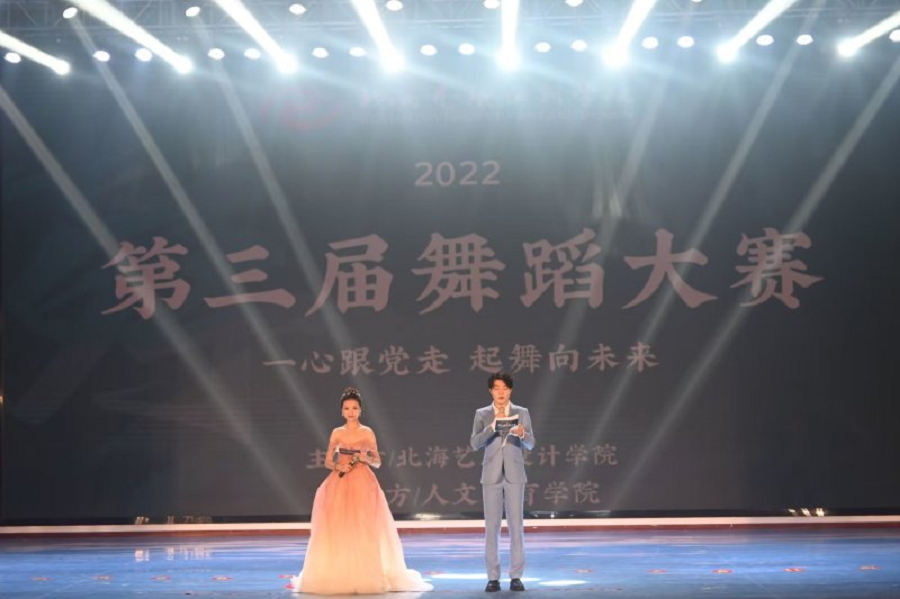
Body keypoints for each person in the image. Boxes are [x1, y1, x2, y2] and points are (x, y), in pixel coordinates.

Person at [291, 387, 432, 595]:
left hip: (363, 482)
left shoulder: (367, 432)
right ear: (341, 411)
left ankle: (367, 573)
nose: (351, 412)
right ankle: (338, 572)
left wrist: (365, 458)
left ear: (360, 410)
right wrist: (338, 465)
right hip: (340, 481)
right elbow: (328, 461)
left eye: (354, 408)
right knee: (339, 526)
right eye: (347, 408)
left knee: (364, 526)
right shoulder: (337, 433)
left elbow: (378, 461)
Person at [470, 372, 535, 592]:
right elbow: (474, 443)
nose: (501, 392)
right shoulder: (482, 413)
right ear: (490, 391)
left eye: (505, 388)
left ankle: (516, 576)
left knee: (516, 526)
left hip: (515, 474)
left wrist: (523, 434)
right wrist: (492, 427)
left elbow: (531, 443)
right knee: (492, 527)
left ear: (510, 390)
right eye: (496, 388)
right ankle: (493, 577)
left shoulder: (521, 412)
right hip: (491, 474)